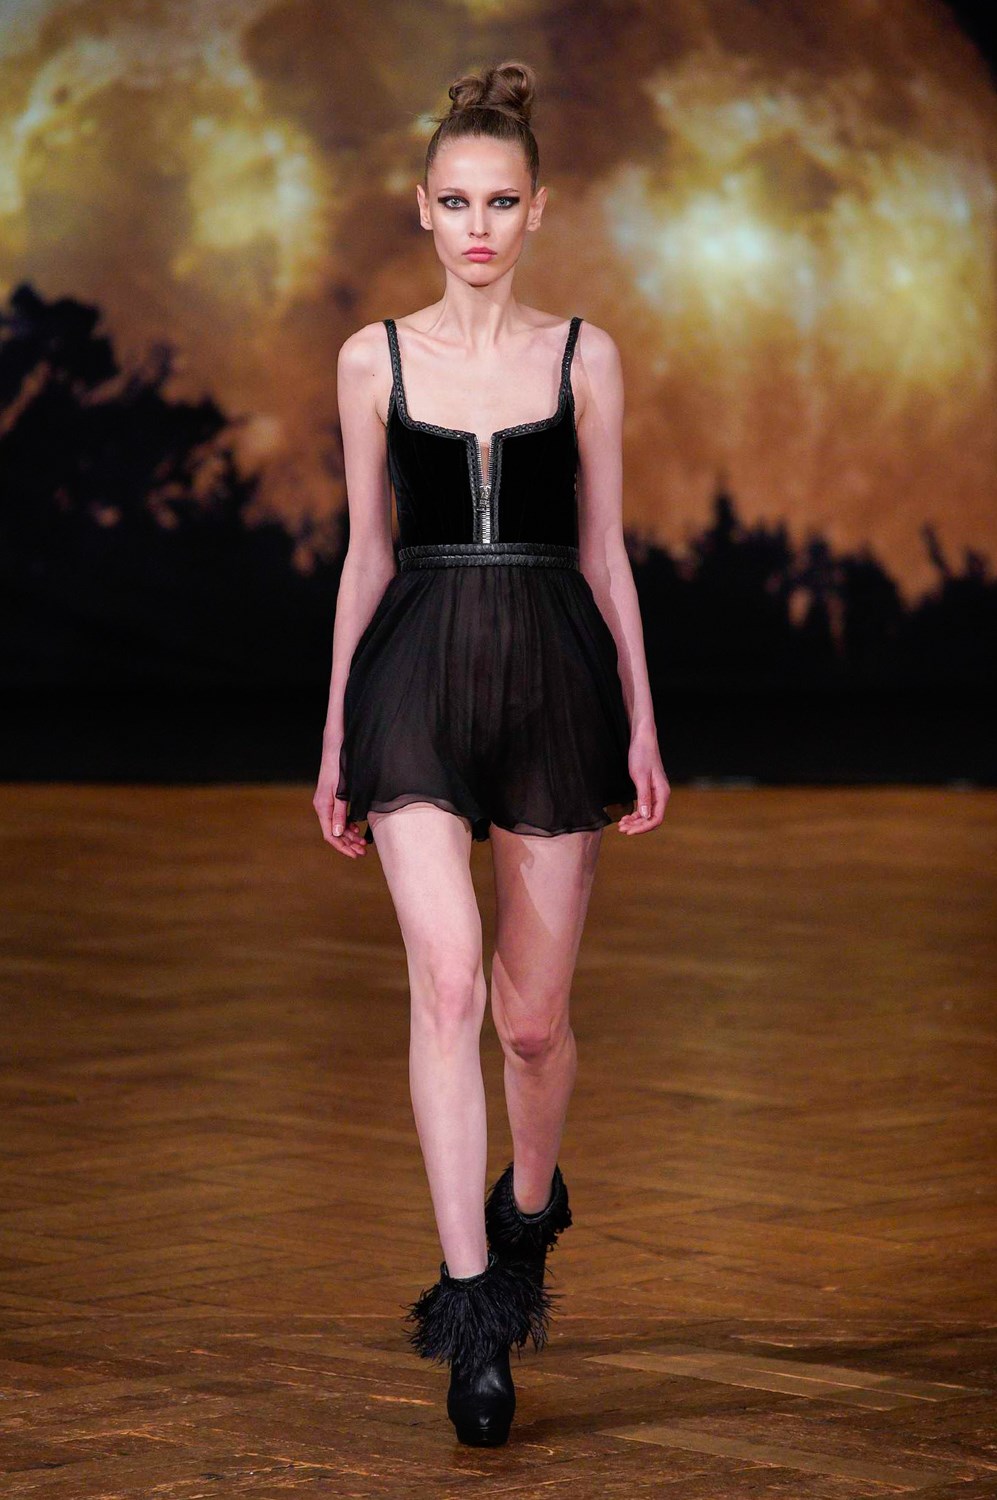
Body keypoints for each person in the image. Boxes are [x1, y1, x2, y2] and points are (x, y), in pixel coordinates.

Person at [313, 59, 669, 1446]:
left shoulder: (585, 356)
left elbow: (606, 552)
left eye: (500, 201)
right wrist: (335, 729)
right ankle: (474, 1320)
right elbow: (365, 556)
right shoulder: (373, 359)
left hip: (553, 678)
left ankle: (528, 1205)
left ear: (537, 210)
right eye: (455, 200)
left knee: (529, 1021)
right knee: (448, 985)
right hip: (412, 676)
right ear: (421, 207)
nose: (476, 224)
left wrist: (642, 716)